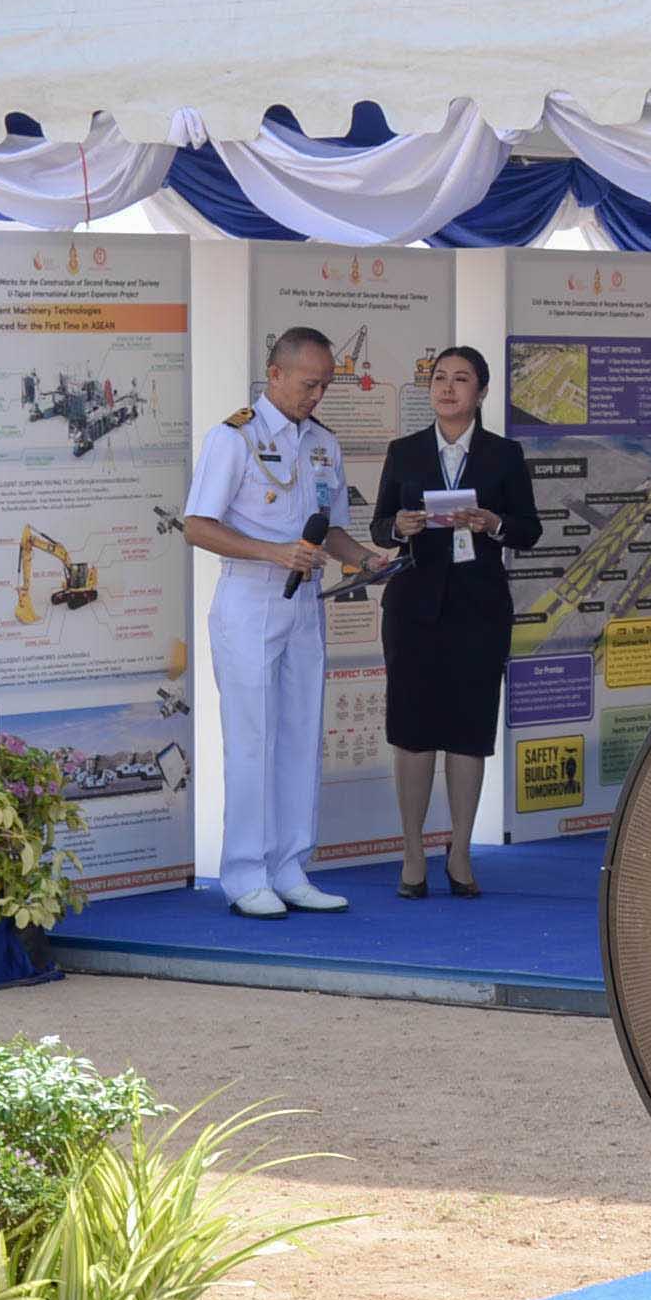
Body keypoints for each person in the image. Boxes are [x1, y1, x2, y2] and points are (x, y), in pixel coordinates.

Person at [186, 328, 388, 921]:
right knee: (253, 739)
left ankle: (290, 867)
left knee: (301, 733)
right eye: (309, 384)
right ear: (275, 375)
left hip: (304, 603)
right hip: (250, 599)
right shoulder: (234, 437)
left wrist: (365, 560)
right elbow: (197, 526)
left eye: (325, 385)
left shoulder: (323, 442)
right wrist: (274, 553)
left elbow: (333, 528)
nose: (317, 395)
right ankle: (245, 873)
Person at [370, 345, 541, 899]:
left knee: (469, 731)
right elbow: (378, 525)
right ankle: (412, 852)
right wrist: (398, 526)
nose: (447, 388)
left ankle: (461, 851)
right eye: (439, 378)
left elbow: (529, 528)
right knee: (413, 732)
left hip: (478, 610)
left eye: (461, 379)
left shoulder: (504, 454)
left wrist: (493, 523)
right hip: (413, 610)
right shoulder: (403, 451)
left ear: (481, 392)